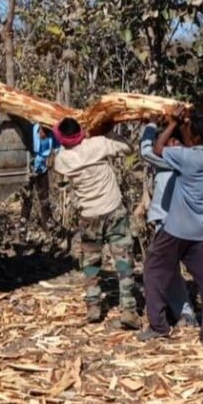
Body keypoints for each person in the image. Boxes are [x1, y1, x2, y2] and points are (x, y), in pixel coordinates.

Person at [139, 107, 203, 345]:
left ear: (195, 137)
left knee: (153, 270)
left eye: (188, 129)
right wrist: (185, 122)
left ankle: (158, 326)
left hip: (176, 228)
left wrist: (170, 124)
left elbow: (157, 149)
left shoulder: (185, 157)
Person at [52, 117, 142, 329]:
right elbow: (128, 149)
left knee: (90, 264)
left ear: (63, 139)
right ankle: (129, 309)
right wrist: (108, 133)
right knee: (123, 261)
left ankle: (93, 306)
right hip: (114, 211)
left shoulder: (62, 159)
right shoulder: (98, 144)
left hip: (89, 216)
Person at [140, 122, 198, 328]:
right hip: (175, 221)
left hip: (171, 223)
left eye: (173, 141)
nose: (168, 145)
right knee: (170, 268)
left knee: (163, 268)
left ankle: (181, 313)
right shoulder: (187, 159)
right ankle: (182, 311)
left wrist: (149, 125)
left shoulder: (173, 161)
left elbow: (146, 151)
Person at [20, 123, 59, 239]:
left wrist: (56, 159)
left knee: (45, 199)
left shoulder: (51, 135)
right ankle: (23, 226)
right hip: (29, 169)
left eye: (46, 133)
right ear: (39, 129)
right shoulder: (30, 130)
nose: (44, 135)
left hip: (42, 169)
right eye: (43, 132)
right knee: (27, 198)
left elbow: (58, 148)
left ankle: (48, 225)